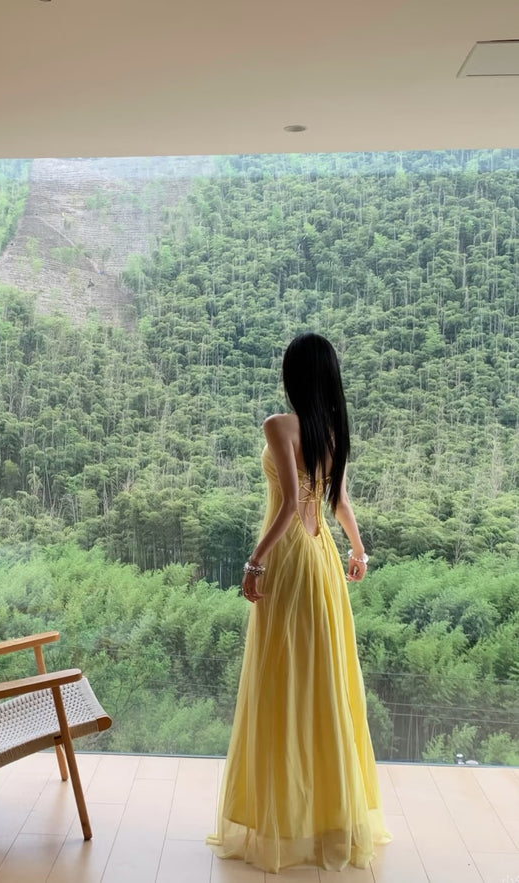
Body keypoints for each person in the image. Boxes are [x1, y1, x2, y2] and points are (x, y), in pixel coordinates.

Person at [206, 332, 391, 874]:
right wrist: (358, 550)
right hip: (324, 561)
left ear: (293, 375)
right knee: (324, 680)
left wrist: (254, 561)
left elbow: (289, 504)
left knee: (281, 682)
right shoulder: (331, 432)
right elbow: (338, 503)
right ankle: (327, 818)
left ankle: (282, 819)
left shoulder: (278, 426)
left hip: (289, 562)